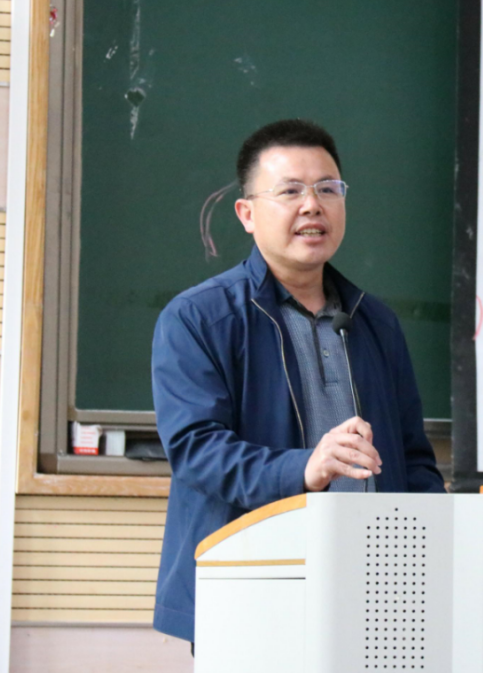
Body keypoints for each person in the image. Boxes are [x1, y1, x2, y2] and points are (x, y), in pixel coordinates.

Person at [150, 119, 446, 643]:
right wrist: (304, 468)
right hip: (252, 588)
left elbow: (413, 459)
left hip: (374, 592)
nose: (313, 206)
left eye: (328, 189)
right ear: (247, 213)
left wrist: (439, 557)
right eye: (290, 191)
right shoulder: (199, 318)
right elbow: (196, 451)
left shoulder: (376, 322)